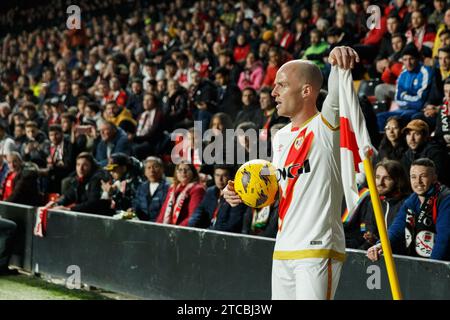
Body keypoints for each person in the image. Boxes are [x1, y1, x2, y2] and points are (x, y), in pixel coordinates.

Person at [224, 46, 360, 300]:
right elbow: (277, 189)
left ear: (307, 91)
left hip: (317, 248)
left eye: (282, 85)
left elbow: (336, 94)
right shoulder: (282, 137)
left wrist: (337, 57)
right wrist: (240, 192)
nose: (273, 92)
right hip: (284, 247)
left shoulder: (327, 127)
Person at [367, 158, 450, 261]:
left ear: (434, 178)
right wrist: (379, 245)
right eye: (413, 177)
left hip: (441, 267)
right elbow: (396, 229)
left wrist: (433, 267)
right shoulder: (412, 200)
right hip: (421, 264)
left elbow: (444, 239)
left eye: (423, 176)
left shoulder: (445, 199)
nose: (418, 182)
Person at [344, 160, 410, 250]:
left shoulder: (407, 203)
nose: (380, 183)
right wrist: (372, 239)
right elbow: (370, 230)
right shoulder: (373, 202)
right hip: (379, 253)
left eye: (387, 178)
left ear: (398, 180)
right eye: (377, 177)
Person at [400, 119, 449, 185]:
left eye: (416, 134)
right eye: (408, 134)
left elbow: (440, 182)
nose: (412, 139)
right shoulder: (406, 156)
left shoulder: (436, 153)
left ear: (425, 136)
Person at [156, 162, 205, 226]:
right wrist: (157, 227)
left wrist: (176, 230)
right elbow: (163, 211)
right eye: (180, 170)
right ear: (176, 173)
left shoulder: (197, 189)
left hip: (183, 230)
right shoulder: (173, 188)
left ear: (193, 173)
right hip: (168, 229)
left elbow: (193, 216)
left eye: (187, 169)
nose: (183, 172)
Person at [132, 156, 170, 222]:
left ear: (162, 169)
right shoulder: (141, 187)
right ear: (144, 172)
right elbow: (136, 204)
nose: (152, 170)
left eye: (155, 167)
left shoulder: (168, 188)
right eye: (148, 168)